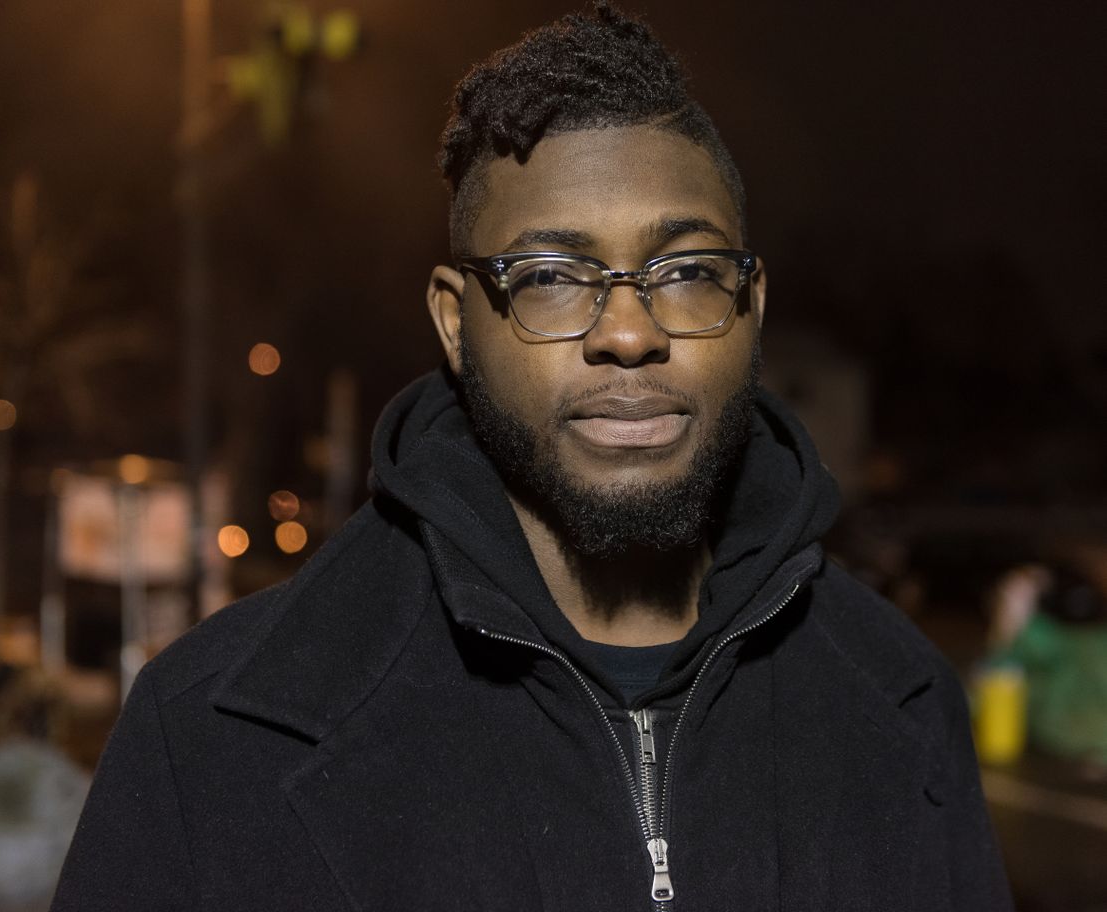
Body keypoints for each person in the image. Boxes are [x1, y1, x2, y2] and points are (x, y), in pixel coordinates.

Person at [52, 5, 1012, 909]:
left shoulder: (902, 700)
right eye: (551, 278)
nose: (629, 333)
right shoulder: (216, 733)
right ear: (455, 324)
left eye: (684, 271)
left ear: (750, 310)